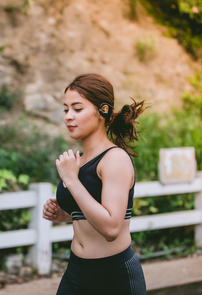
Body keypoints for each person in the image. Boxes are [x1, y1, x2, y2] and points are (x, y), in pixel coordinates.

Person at [42, 74, 148, 295]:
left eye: (77, 109)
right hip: (76, 272)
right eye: (65, 109)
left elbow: (111, 228)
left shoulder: (114, 159)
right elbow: (91, 211)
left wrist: (71, 180)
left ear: (103, 112)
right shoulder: (79, 160)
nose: (68, 117)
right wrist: (66, 215)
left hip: (114, 277)